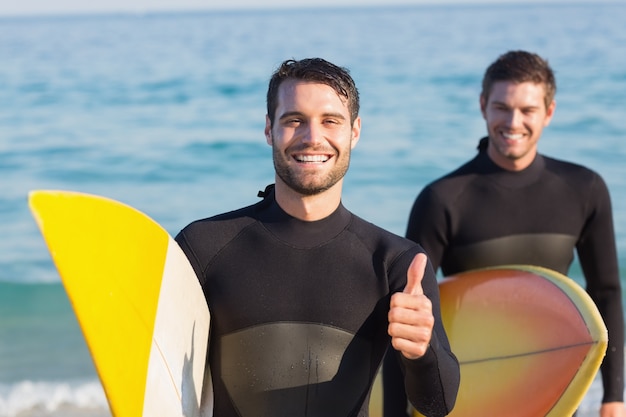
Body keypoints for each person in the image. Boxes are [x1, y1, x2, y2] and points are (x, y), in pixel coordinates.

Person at [175, 57, 460, 417]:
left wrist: (422, 350)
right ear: (269, 129)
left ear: (354, 131)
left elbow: (438, 404)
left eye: (330, 121)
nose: (312, 137)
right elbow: (160, 381)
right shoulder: (203, 248)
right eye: (294, 120)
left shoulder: (395, 263)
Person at [383, 50, 625, 417]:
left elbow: (605, 293)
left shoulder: (584, 189)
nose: (513, 122)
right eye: (502, 107)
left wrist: (614, 397)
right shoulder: (443, 199)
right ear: (483, 106)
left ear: (549, 112)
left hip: (559, 389)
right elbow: (411, 313)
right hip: (474, 389)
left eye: (528, 110)